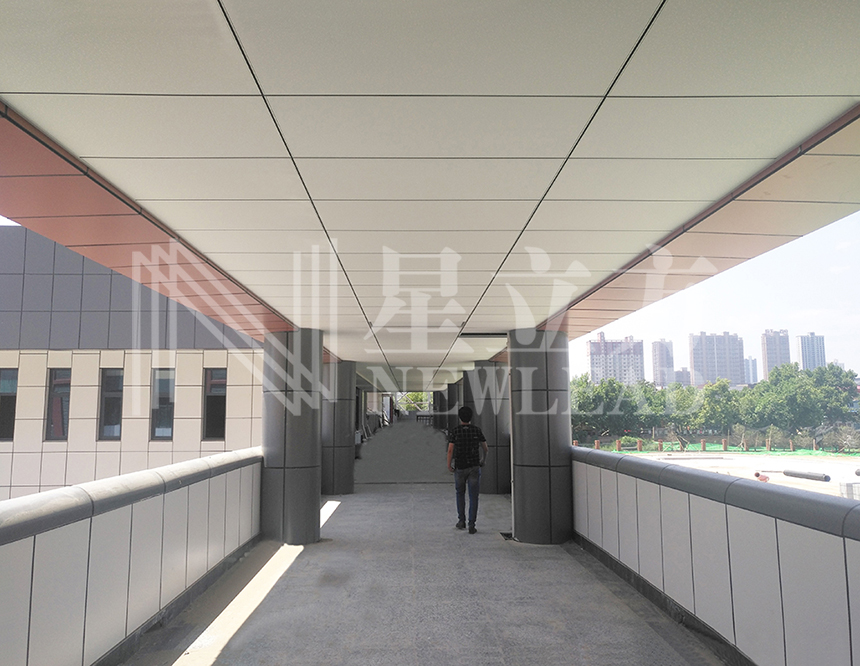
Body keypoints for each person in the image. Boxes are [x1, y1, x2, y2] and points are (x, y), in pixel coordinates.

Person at [446, 406, 488, 534]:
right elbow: (485, 448)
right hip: (474, 466)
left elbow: (450, 450)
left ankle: (461, 521)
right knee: (473, 496)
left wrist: (449, 464)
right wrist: (483, 460)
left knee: (460, 493)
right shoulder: (476, 430)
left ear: (460, 417)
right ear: (471, 417)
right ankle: (472, 524)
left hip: (460, 466)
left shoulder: (455, 431)